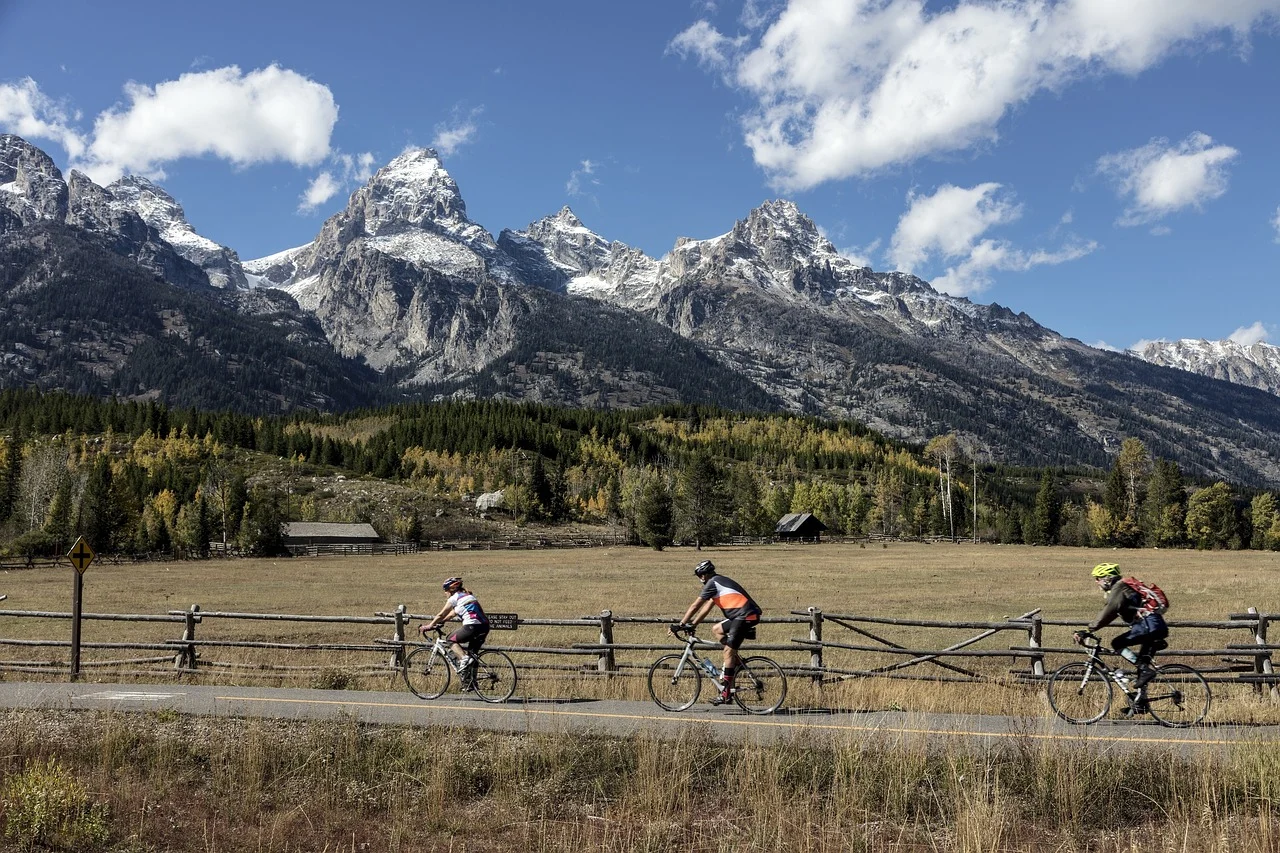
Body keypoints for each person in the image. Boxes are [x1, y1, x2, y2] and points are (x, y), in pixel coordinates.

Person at [1073, 562, 1169, 713]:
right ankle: (1141, 703)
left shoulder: (1119, 587)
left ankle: (1144, 670)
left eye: (1098, 578)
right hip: (1155, 626)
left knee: (1117, 643)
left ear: (1107, 578)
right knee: (1142, 666)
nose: (1096, 582)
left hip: (1147, 626)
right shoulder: (1123, 587)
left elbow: (1110, 610)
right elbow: (1113, 612)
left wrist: (1088, 629)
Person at [670, 559, 762, 705]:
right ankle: (734, 661)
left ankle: (725, 694)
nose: (700, 579)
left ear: (704, 575)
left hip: (745, 616)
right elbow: (706, 608)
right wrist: (693, 625)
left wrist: (680, 624)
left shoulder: (712, 583)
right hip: (741, 616)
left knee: (727, 653)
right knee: (717, 629)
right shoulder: (718, 582)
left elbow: (695, 606)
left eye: (700, 575)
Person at [420, 577, 490, 688]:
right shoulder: (467, 596)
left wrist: (429, 625)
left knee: (450, 639)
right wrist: (442, 622)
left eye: (445, 591)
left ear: (451, 590)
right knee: (473, 654)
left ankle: (464, 659)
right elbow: (452, 614)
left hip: (472, 626)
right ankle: (470, 683)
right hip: (485, 627)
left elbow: (441, 614)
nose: (445, 593)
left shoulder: (455, 598)